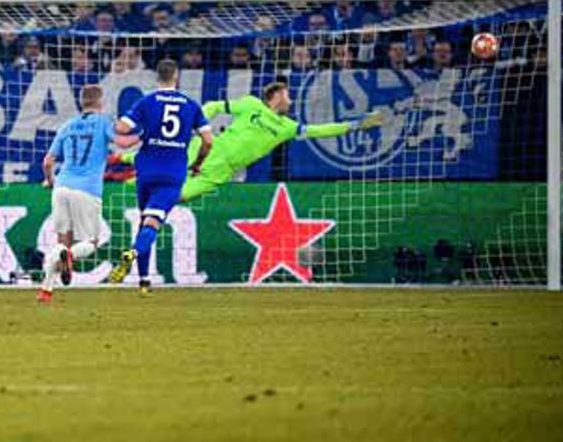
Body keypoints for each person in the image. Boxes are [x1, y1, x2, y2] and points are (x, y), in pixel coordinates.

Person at [112, 82, 385, 203]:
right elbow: (214, 105)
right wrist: (196, 123)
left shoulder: (288, 127)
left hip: (221, 173)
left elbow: (320, 130)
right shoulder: (252, 104)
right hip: (211, 149)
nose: (290, 101)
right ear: (276, 95)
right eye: (287, 96)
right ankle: (114, 162)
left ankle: (122, 184)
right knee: (152, 161)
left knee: (176, 195)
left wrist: (355, 124)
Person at [107, 59, 213, 293]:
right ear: (176, 77)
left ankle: (144, 281)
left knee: (146, 220)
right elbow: (208, 140)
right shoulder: (191, 105)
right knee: (152, 223)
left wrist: (141, 131)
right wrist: (198, 163)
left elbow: (122, 129)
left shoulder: (146, 101)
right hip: (173, 173)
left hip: (146, 171)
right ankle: (133, 253)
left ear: (158, 78)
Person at [37, 85, 115, 303]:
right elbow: (120, 141)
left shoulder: (67, 125)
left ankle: (46, 290)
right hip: (87, 189)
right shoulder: (103, 122)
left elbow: (47, 161)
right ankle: (70, 256)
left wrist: (50, 181)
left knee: (62, 241)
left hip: (62, 186)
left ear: (82, 102)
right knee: (92, 241)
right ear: (100, 102)